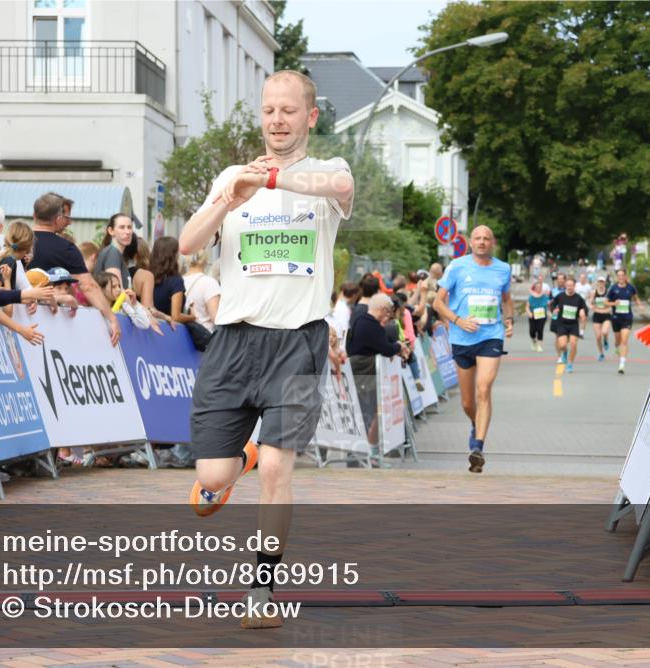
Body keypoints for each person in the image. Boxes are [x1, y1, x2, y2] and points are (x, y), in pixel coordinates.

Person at [177, 69, 354, 628]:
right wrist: (231, 197)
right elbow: (187, 244)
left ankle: (262, 590)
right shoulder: (234, 174)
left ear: (310, 116)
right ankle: (238, 462)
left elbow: (340, 192)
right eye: (269, 110)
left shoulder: (330, 171)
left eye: (288, 110)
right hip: (234, 340)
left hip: (298, 342)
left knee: (280, 467)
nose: (277, 121)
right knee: (211, 476)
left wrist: (275, 181)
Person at [432, 225, 514, 473]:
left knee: (484, 388)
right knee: (468, 402)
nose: (481, 242)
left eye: (486, 238)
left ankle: (477, 446)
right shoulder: (457, 266)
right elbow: (438, 302)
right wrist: (458, 320)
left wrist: (508, 321)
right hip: (462, 337)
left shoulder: (504, 269)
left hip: (491, 335)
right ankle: (474, 422)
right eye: (477, 238)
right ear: (470, 242)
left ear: (493, 243)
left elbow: (507, 300)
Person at [26, 193, 120, 345]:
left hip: (19, 318)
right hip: (47, 328)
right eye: (66, 218)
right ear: (57, 218)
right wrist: (112, 319)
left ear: (34, 215)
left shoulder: (18, 241)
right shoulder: (66, 248)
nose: (69, 223)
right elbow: (88, 286)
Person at [347, 293, 408, 447]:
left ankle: (367, 448)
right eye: (388, 311)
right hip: (366, 376)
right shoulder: (370, 325)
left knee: (369, 413)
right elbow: (386, 349)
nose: (388, 316)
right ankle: (368, 448)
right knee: (372, 413)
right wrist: (399, 346)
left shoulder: (361, 320)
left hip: (361, 374)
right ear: (381, 309)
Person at [151, 236, 194, 325]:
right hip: (170, 330)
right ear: (173, 256)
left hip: (149, 327)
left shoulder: (148, 276)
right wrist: (192, 316)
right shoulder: (176, 281)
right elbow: (176, 316)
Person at [607, 269, 642, 374]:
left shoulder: (630, 287)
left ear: (625, 276)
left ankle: (621, 364)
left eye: (622, 275)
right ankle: (617, 347)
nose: (621, 277)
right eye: (619, 275)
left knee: (624, 340)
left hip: (627, 317)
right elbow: (606, 302)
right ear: (617, 277)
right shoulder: (613, 288)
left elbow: (636, 298)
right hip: (616, 318)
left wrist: (639, 305)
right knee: (618, 341)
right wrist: (614, 303)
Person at [551, 278, 588, 374]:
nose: (570, 287)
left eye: (571, 285)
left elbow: (584, 309)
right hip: (562, 324)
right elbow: (552, 305)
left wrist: (582, 312)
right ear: (565, 286)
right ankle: (565, 352)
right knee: (562, 345)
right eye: (568, 285)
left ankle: (570, 364)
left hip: (573, 324)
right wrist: (554, 310)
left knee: (573, 343)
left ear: (574, 286)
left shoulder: (579, 298)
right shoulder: (560, 296)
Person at [183, 249, 221, 333]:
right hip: (205, 337)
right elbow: (216, 318)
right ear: (206, 261)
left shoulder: (180, 280)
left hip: (185, 335)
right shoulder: (209, 283)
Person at [95, 213, 133, 289]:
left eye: (129, 227)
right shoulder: (113, 253)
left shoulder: (114, 253)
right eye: (122, 227)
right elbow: (116, 291)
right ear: (111, 231)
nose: (128, 232)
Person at [590, 277, 613, 361]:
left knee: (604, 332)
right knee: (598, 337)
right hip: (597, 315)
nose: (601, 283)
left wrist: (606, 310)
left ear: (604, 283)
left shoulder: (608, 292)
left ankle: (606, 340)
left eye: (602, 282)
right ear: (597, 283)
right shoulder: (594, 292)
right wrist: (594, 308)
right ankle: (601, 353)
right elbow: (591, 304)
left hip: (606, 315)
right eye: (599, 282)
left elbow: (611, 305)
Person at [525, 279, 549, 352]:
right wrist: (529, 313)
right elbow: (527, 306)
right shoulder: (531, 297)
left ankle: (539, 346)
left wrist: (551, 313)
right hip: (533, 315)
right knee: (532, 331)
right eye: (537, 287)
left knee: (540, 329)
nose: (539, 288)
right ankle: (534, 341)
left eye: (540, 287)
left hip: (542, 315)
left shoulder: (545, 297)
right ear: (535, 288)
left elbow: (548, 306)